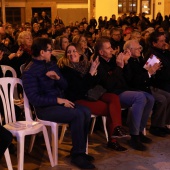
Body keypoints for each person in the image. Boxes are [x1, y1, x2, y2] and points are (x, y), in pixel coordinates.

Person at [22, 37, 95, 169]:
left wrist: (58, 78)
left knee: (86, 111)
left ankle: (79, 151)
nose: (52, 53)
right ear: (42, 52)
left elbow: (65, 85)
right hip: (45, 108)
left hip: (59, 103)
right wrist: (58, 100)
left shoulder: (51, 64)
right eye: (49, 50)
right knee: (77, 114)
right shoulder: (29, 71)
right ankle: (78, 156)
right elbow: (34, 99)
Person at [58, 43, 129, 152]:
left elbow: (96, 84)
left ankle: (116, 128)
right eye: (69, 52)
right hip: (79, 98)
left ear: (79, 53)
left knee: (114, 98)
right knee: (110, 109)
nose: (72, 54)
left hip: (93, 93)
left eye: (74, 51)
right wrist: (91, 74)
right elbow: (80, 89)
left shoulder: (86, 65)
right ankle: (113, 140)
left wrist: (95, 72)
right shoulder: (66, 70)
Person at [94, 37, 155, 151]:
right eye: (108, 48)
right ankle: (134, 136)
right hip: (111, 94)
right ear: (101, 52)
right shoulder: (98, 64)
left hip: (122, 90)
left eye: (111, 47)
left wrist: (125, 62)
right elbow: (109, 85)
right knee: (140, 97)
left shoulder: (112, 60)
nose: (112, 50)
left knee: (150, 98)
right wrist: (119, 66)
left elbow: (125, 79)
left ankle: (140, 131)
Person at [123, 39, 170, 137]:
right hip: (136, 89)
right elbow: (134, 81)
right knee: (159, 99)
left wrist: (152, 71)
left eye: (140, 48)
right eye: (138, 48)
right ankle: (151, 128)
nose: (140, 50)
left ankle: (161, 125)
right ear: (129, 50)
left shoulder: (138, 59)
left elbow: (144, 75)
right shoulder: (128, 61)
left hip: (146, 86)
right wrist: (149, 72)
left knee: (167, 95)